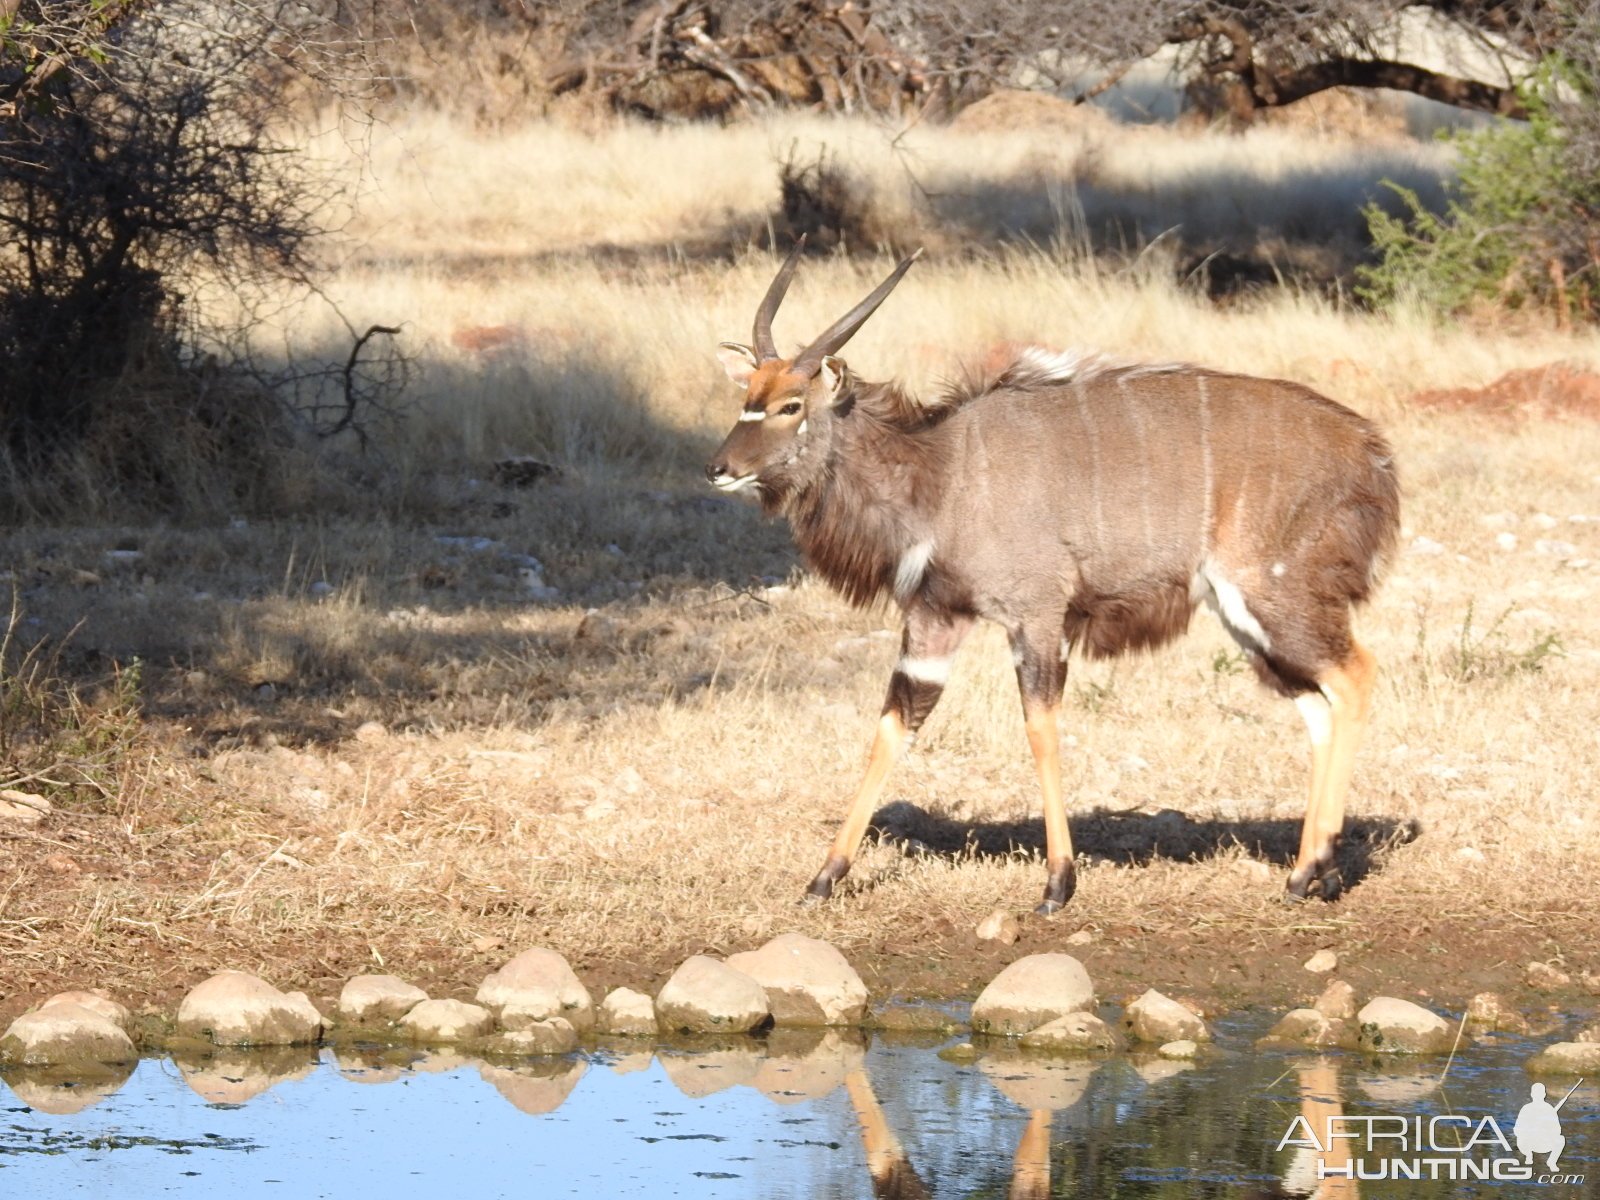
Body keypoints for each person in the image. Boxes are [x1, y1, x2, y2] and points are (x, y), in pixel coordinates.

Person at [1514, 1082, 1566, 1171]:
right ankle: (1528, 1155)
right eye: (1536, 1093)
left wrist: (1546, 1130)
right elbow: (1517, 1130)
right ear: (1532, 1095)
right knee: (1520, 1139)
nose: (1538, 1096)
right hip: (1528, 1144)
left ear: (1544, 1095)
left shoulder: (1549, 1109)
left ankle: (1552, 1162)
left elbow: (1557, 1130)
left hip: (1544, 1143)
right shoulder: (1526, 1109)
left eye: (1540, 1093)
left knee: (1561, 1139)